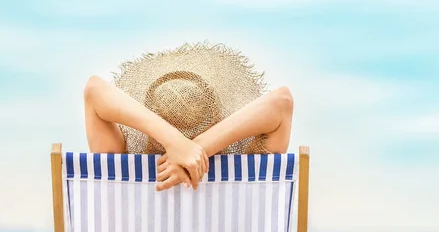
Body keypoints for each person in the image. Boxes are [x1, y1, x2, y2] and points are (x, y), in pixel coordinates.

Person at [83, 43, 293, 191]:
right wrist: (192, 146)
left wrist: (176, 143)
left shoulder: (120, 173)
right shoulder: (247, 175)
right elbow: (282, 103)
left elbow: (94, 90)